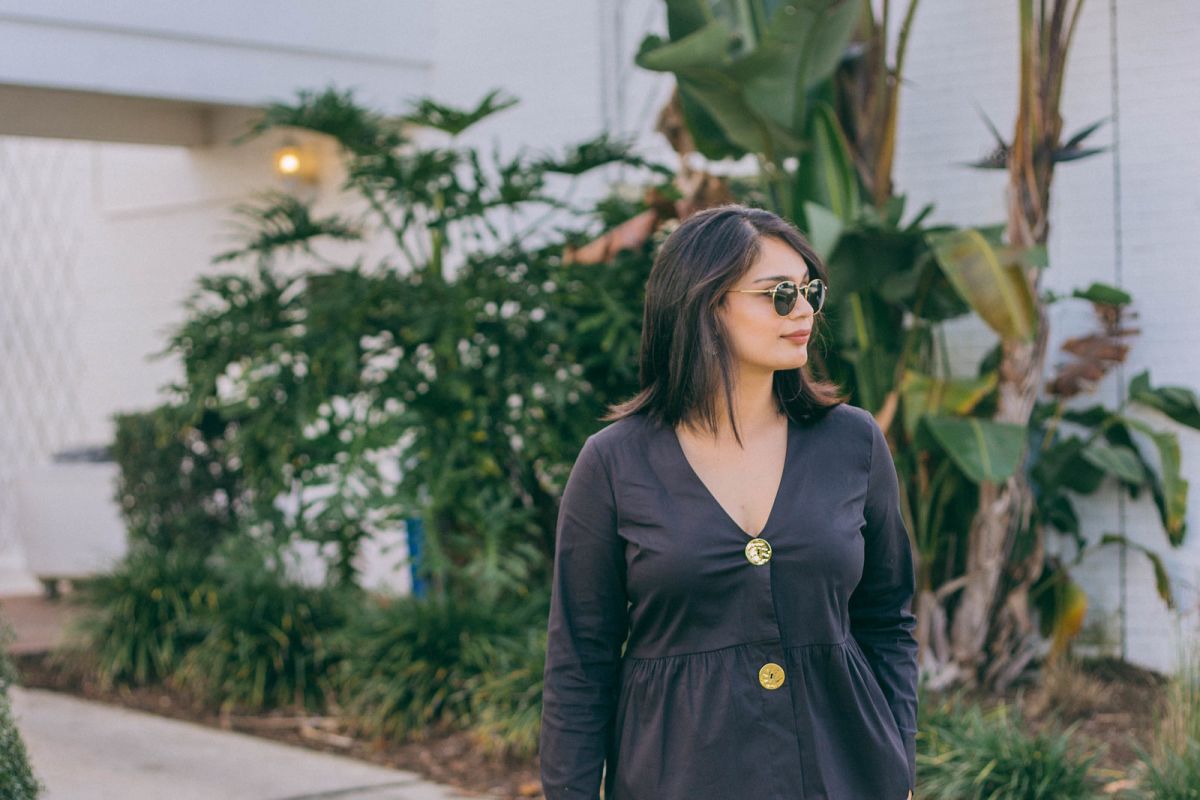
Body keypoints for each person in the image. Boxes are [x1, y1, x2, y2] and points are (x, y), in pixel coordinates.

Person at [539, 204, 918, 799]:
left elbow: (887, 621)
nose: (805, 312)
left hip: (845, 776)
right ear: (705, 303)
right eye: (779, 294)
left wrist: (898, 764)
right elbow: (580, 664)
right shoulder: (614, 463)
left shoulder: (853, 441)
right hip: (677, 778)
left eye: (810, 291)